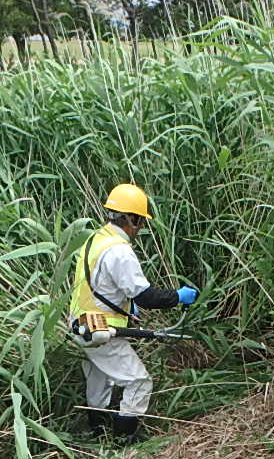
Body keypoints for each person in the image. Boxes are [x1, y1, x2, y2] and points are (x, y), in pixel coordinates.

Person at [70, 184, 197, 444]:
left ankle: (98, 435)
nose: (140, 228)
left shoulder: (95, 240)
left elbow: (99, 285)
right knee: (139, 382)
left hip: (82, 325)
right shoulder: (120, 250)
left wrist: (125, 303)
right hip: (102, 331)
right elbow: (146, 296)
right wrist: (177, 296)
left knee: (100, 382)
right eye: (140, 222)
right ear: (133, 218)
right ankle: (122, 442)